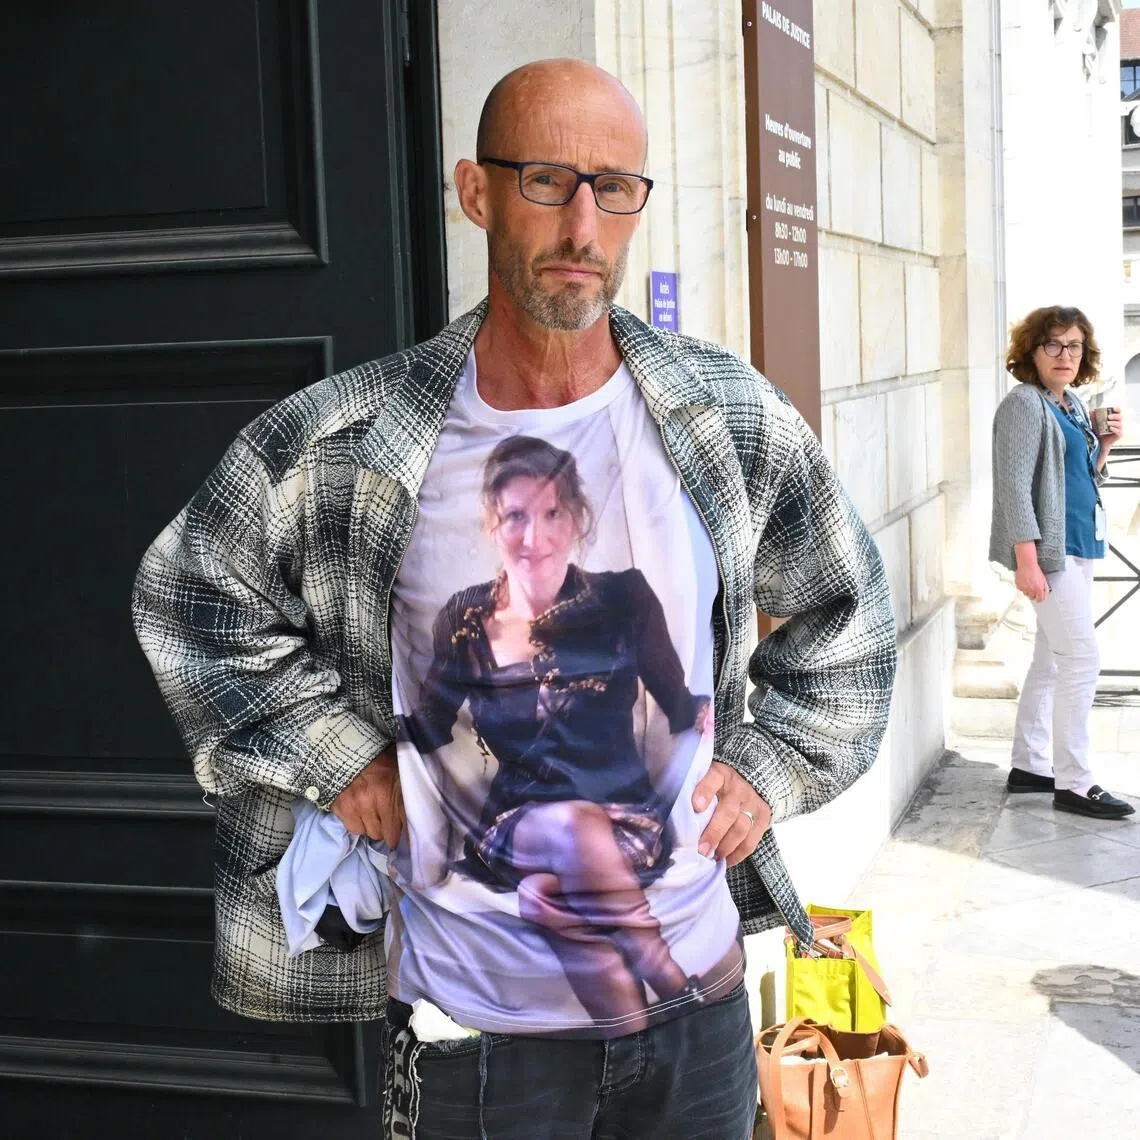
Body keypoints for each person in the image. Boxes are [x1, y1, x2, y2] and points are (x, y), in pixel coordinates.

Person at [133, 58, 896, 1139]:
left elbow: (843, 613)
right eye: (546, 181)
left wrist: (766, 766)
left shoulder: (723, 418)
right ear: (476, 192)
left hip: (699, 1016)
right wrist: (342, 757)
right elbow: (193, 594)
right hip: (473, 1031)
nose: (583, 224)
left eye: (614, 188)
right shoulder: (354, 439)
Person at [399, 434, 721, 1030]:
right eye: (516, 516)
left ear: (576, 519)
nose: (535, 536)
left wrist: (705, 720)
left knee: (562, 908)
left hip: (624, 822)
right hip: (517, 826)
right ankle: (672, 983)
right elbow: (429, 724)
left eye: (552, 514)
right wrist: (360, 758)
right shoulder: (465, 618)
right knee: (571, 827)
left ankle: (631, 1032)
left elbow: (679, 702)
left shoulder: (623, 599)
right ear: (492, 523)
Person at [990, 305, 1133, 820]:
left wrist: (1104, 445)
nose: (1064, 354)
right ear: (1031, 351)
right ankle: (1075, 781)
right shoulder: (1024, 405)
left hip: (1078, 543)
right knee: (1082, 659)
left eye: (1073, 345)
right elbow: (1013, 488)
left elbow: (1078, 477)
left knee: (1051, 659)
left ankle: (1030, 764)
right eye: (1052, 344)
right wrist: (1026, 560)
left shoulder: (1070, 402)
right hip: (1051, 553)